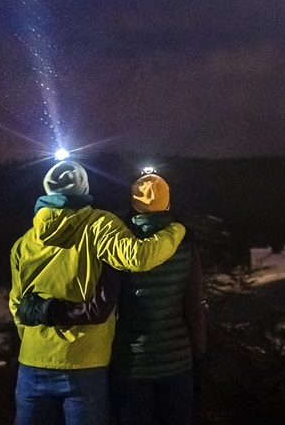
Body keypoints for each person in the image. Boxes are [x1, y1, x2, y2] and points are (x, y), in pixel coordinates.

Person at [18, 170, 207, 425]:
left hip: (128, 361)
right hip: (175, 360)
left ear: (132, 203)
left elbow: (18, 304)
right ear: (169, 202)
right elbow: (193, 308)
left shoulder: (113, 240)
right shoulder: (182, 245)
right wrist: (200, 352)